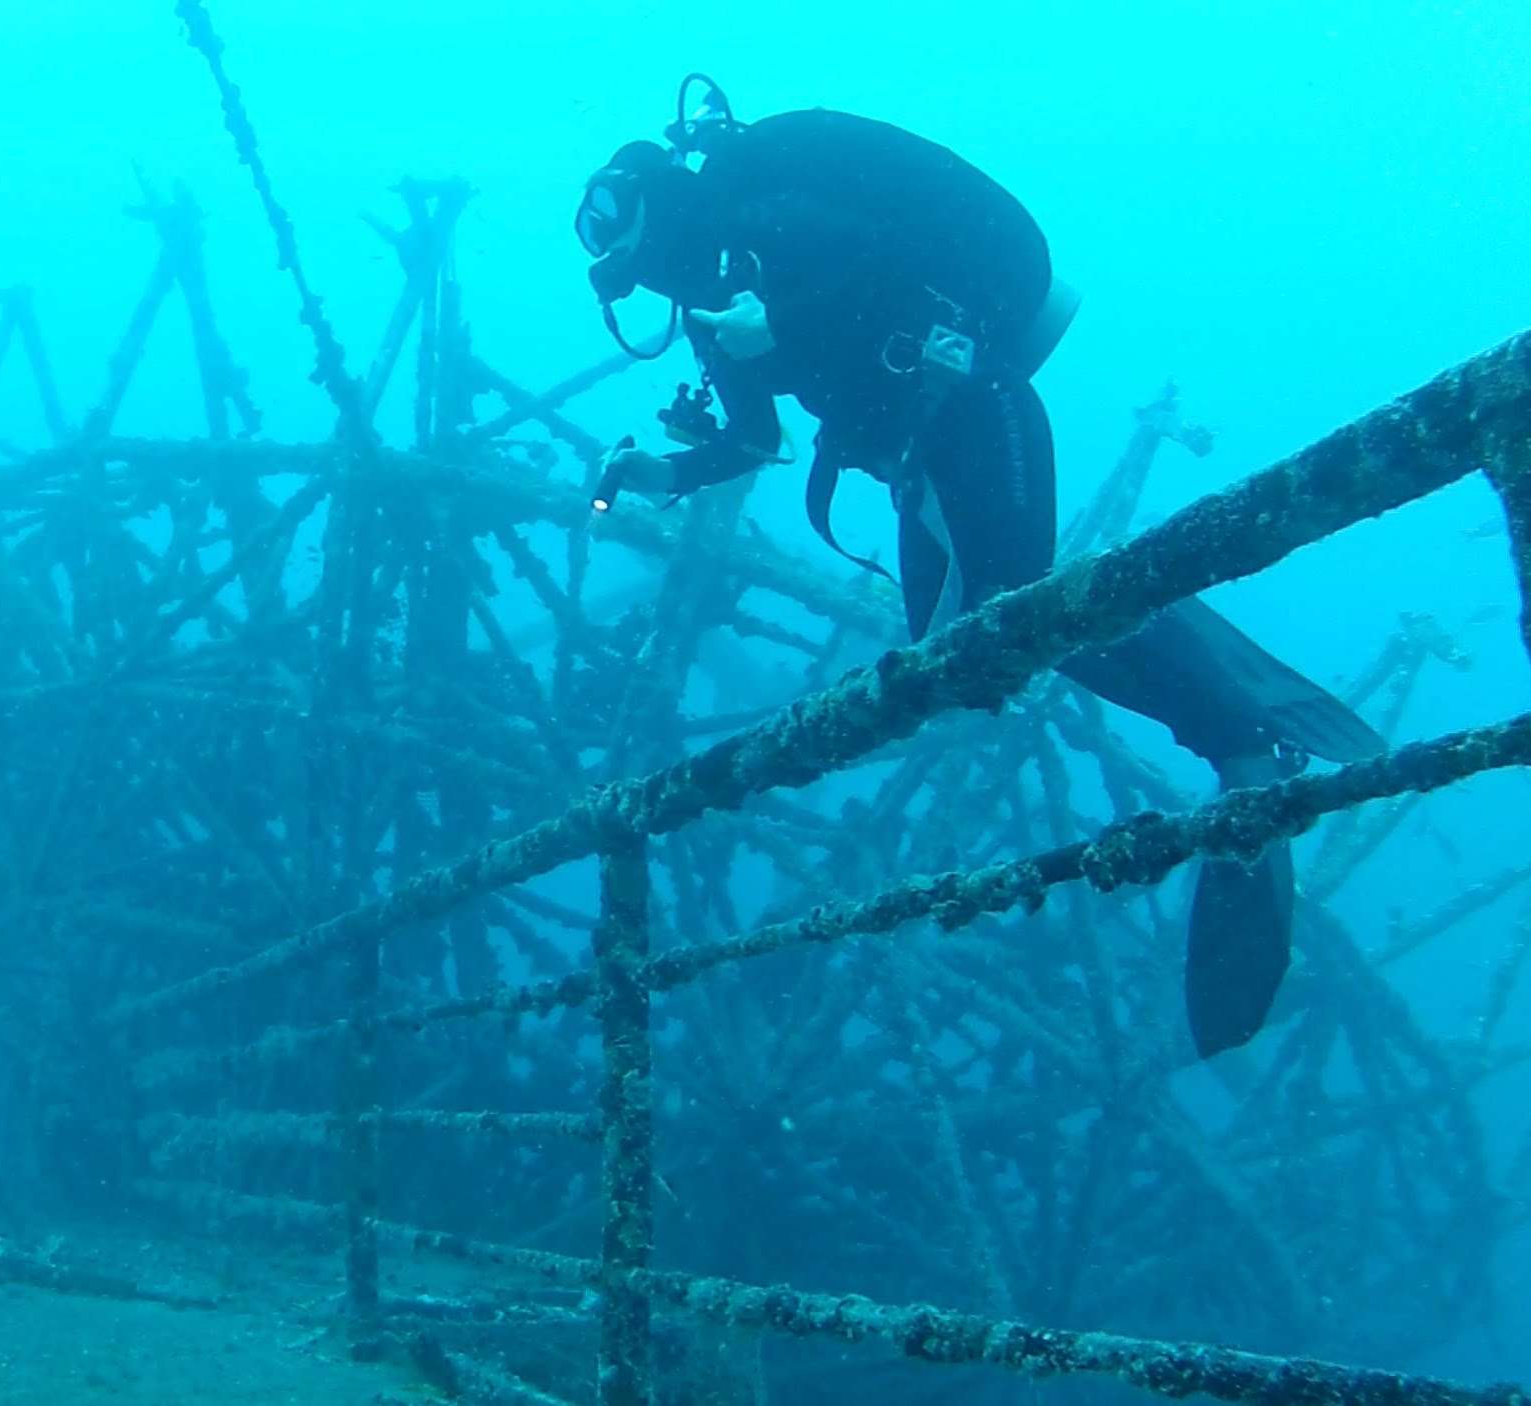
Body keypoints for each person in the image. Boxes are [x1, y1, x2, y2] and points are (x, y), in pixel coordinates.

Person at [575, 77, 1383, 1058]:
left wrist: (782, 319)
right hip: (915, 457)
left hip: (978, 402)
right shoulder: (723, 306)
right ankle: (1181, 649)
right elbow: (754, 440)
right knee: (956, 663)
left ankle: (1241, 746)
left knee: (1007, 614)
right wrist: (663, 469)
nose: (662, 289)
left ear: (661, 219)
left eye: (642, 259)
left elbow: (896, 259)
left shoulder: (769, 214)